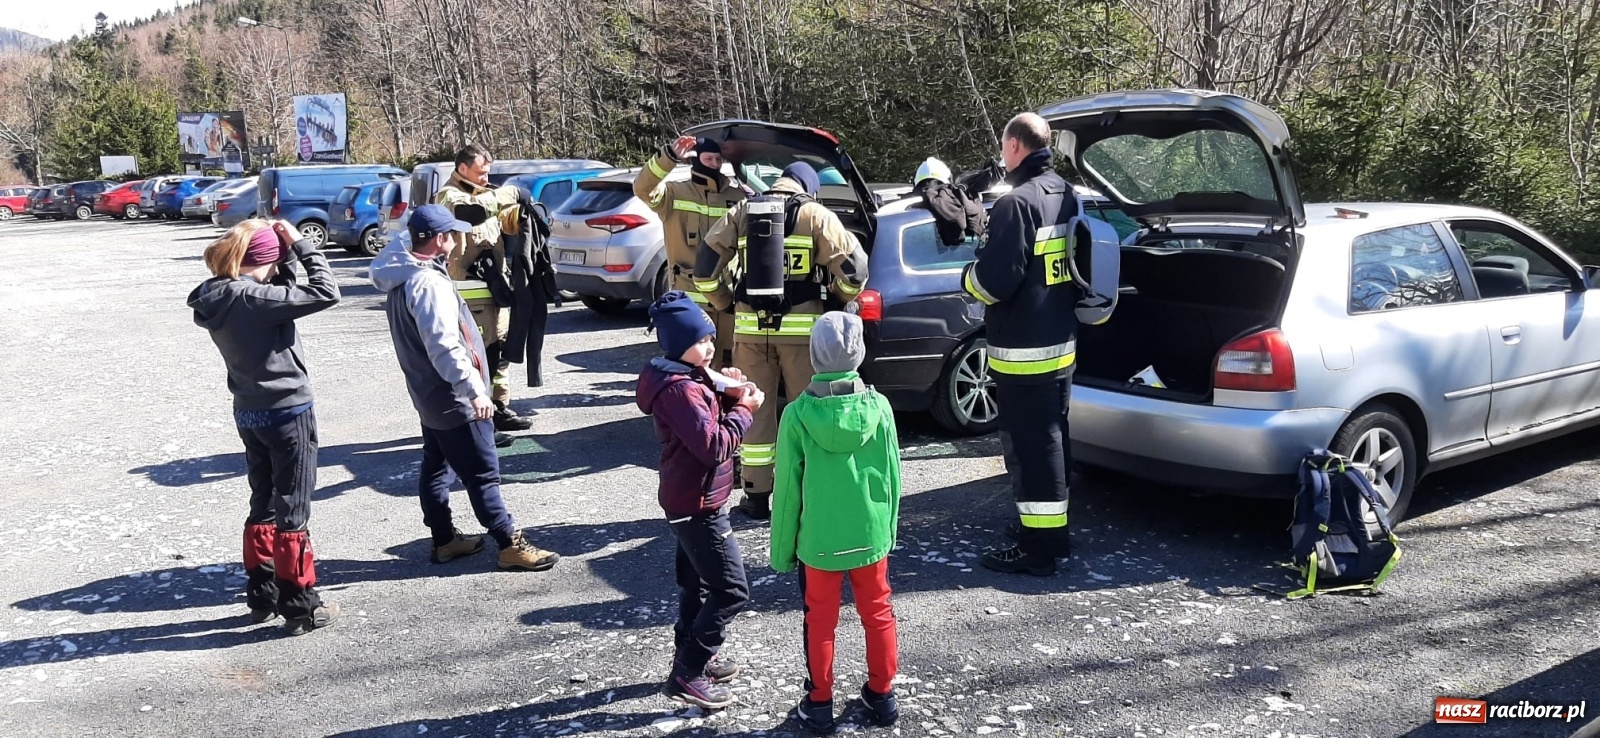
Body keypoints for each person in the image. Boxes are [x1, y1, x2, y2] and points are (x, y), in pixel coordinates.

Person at [369, 204, 560, 572]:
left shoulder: (402, 273)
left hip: (429, 394)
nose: (458, 240)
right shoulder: (427, 283)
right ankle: (509, 543)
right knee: (482, 472)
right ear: (440, 240)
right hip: (453, 396)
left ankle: (444, 540)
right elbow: (443, 344)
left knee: (437, 466)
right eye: (453, 234)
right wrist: (473, 389)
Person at [188, 218, 340, 635]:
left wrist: (283, 254)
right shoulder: (254, 298)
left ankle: (263, 596)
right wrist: (303, 246)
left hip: (250, 412)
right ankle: (301, 605)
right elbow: (326, 292)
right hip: (288, 412)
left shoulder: (218, 295)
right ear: (266, 259)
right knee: (293, 508)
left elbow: (285, 295)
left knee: (264, 503)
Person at [697, 162, 871, 520]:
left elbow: (703, 271)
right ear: (808, 186)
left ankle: (757, 497)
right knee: (808, 412)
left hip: (750, 332)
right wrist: (838, 298)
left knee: (755, 411)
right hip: (802, 337)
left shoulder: (742, 211)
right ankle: (808, 493)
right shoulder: (816, 215)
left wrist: (725, 302)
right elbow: (856, 269)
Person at [770, 311, 901, 733]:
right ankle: (883, 696)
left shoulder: (796, 416)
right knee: (878, 613)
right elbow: (893, 475)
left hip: (818, 542)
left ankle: (819, 702)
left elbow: (787, 494)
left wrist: (781, 553)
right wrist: (888, 531)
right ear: (860, 353)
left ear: (812, 354)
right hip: (869, 534)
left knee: (819, 619)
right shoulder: (879, 408)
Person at [960, 112, 1079, 576]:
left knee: (1031, 448)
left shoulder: (1016, 204)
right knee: (1053, 439)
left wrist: (967, 277)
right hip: (1060, 343)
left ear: (1013, 145)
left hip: (1023, 352)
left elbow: (994, 283)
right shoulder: (1063, 194)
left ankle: (1040, 551)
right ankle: (1051, 533)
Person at [635, 291, 764, 710]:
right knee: (731, 590)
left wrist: (729, 392)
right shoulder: (680, 390)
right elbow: (712, 445)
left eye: (711, 338)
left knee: (695, 585)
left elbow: (705, 417)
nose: (710, 347)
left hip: (689, 498)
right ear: (677, 345)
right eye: (702, 341)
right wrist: (744, 411)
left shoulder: (687, 376)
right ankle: (688, 672)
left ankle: (690, 661)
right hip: (698, 505)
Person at [435, 143, 535, 439]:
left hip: (496, 292)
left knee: (499, 353)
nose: (485, 177)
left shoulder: (487, 194)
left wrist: (524, 217)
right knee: (477, 357)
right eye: (480, 172)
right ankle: (475, 418)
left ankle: (498, 407)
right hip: (470, 297)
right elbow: (473, 214)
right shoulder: (449, 196)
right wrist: (512, 193)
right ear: (462, 169)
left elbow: (503, 225)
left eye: (488, 172)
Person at [633, 135, 748, 369]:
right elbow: (642, 188)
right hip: (691, 300)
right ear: (696, 160)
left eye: (718, 159)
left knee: (728, 365)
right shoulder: (674, 194)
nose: (714, 164)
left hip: (727, 299)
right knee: (693, 365)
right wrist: (669, 157)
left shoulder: (736, 197)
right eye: (708, 158)